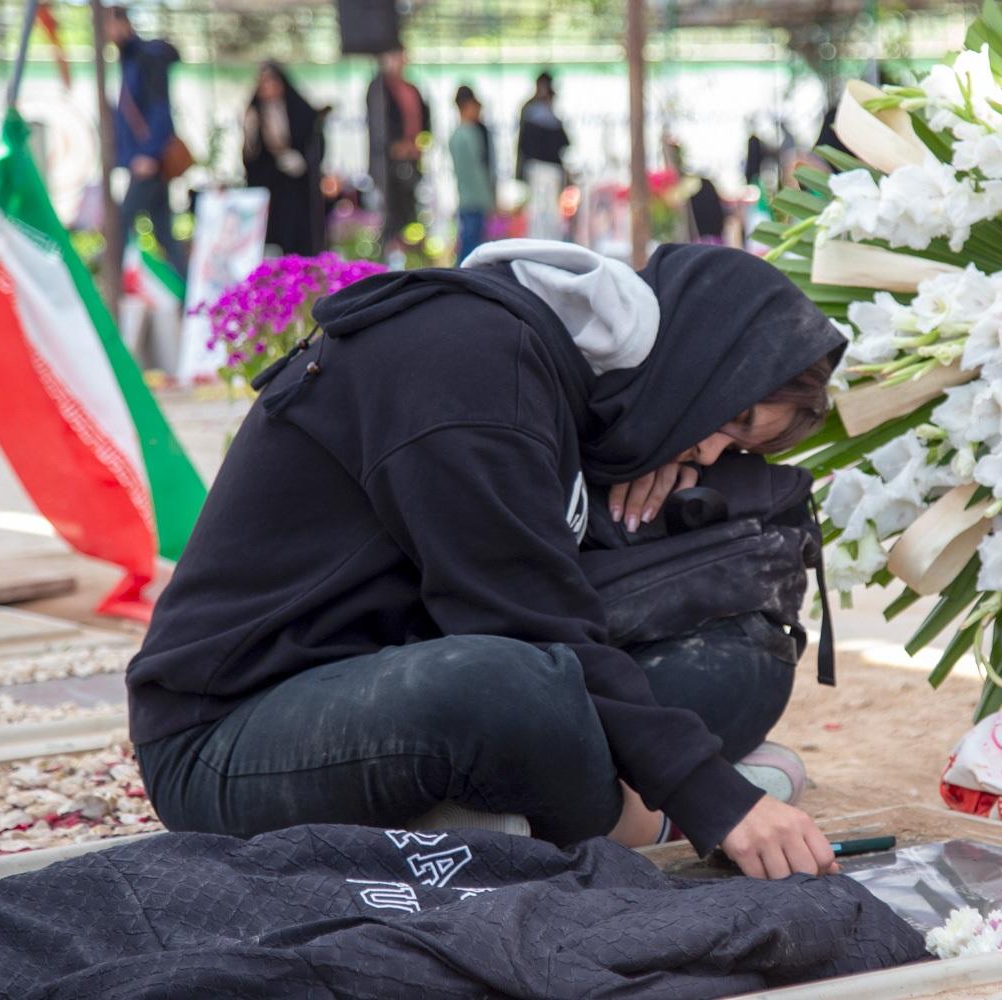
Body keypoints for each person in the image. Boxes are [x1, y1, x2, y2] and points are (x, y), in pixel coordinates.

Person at [128, 240, 846, 881]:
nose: (710, 451)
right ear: (699, 358)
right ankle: (639, 822)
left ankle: (492, 818)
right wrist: (713, 796)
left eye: (734, 446)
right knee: (510, 687)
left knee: (737, 657)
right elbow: (526, 620)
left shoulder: (568, 370)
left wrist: (670, 454)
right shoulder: (466, 361)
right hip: (227, 740)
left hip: (390, 681)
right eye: (730, 419)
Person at [105, 6, 187, 275]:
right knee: (163, 232)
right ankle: (186, 289)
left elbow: (159, 109)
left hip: (148, 161)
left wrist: (149, 154)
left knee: (121, 222)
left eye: (109, 25)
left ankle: (112, 286)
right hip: (141, 159)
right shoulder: (128, 59)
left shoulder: (146, 57)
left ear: (124, 25)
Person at [242, 62, 326, 257]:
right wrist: (251, 133)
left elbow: (314, 140)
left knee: (299, 232)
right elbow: (250, 157)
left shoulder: (299, 110)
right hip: (271, 184)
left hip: (298, 186)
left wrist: (303, 161)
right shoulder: (254, 113)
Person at [367, 45, 428, 256]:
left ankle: (409, 254)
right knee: (391, 213)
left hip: (411, 161)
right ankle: (389, 254)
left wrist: (416, 145)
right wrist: (395, 147)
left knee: (411, 212)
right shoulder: (379, 90)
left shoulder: (411, 89)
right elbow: (378, 127)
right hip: (388, 165)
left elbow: (425, 123)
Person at [516, 71, 569, 241]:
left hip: (544, 170)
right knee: (540, 215)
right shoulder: (535, 111)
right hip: (540, 170)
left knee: (545, 216)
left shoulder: (538, 111)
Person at [450, 85, 495, 263]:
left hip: (468, 199)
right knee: (471, 249)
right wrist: (489, 200)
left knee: (469, 244)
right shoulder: (468, 134)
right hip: (474, 200)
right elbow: (477, 171)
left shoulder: (458, 134)